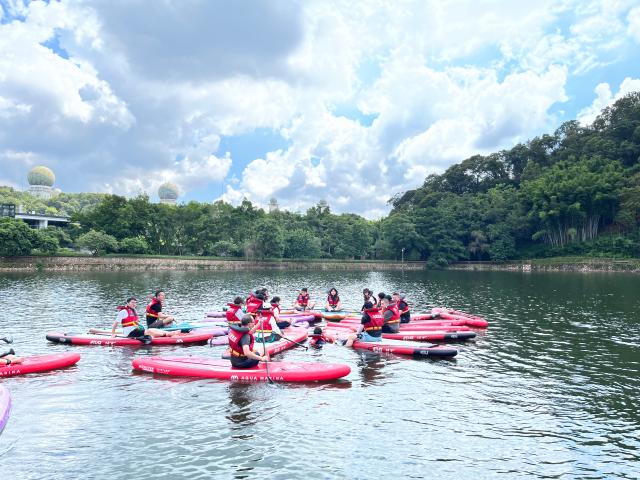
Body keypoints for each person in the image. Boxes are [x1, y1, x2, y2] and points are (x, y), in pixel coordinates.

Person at [111, 297, 180, 339]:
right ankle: (167, 334)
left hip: (135, 330)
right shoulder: (123, 311)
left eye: (135, 303)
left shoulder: (134, 310)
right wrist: (113, 334)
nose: (134, 304)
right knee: (149, 332)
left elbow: (134, 322)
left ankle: (168, 332)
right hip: (129, 333)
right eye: (132, 303)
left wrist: (139, 326)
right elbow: (115, 324)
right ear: (128, 303)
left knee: (151, 329)